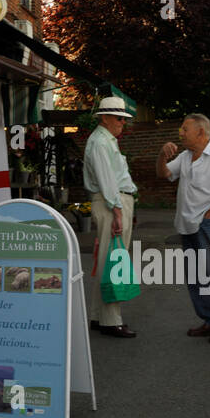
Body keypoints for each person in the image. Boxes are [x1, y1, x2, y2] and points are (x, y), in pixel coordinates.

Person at [156, 113, 210, 343]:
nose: (180, 133)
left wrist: (208, 217)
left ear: (201, 132)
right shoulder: (185, 157)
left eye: (185, 129)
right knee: (197, 277)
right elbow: (164, 174)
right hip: (187, 226)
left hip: (208, 225)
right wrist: (162, 156)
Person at [83, 96, 138, 338]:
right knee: (113, 262)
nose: (122, 123)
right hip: (111, 204)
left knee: (108, 259)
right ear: (104, 117)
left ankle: (98, 315)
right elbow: (107, 181)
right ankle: (110, 321)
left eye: (124, 119)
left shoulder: (104, 140)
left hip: (113, 203)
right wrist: (117, 212)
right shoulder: (101, 143)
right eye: (118, 118)